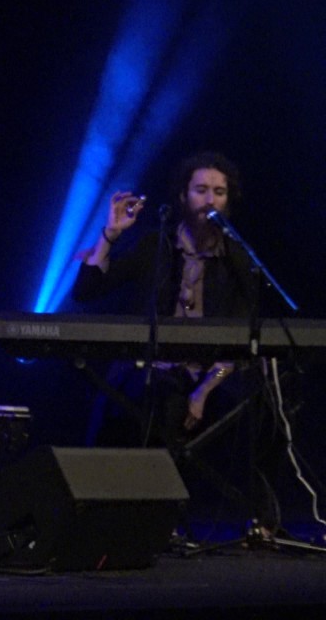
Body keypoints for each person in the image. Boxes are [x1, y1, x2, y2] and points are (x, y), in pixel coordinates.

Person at [73, 151, 290, 529]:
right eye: (201, 190)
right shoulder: (156, 246)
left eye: (219, 192)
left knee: (266, 410)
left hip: (214, 374)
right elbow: (87, 291)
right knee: (156, 401)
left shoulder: (237, 258)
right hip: (157, 368)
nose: (210, 200)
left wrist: (204, 391)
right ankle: (149, 522)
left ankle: (260, 520)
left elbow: (241, 336)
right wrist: (110, 235)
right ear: (182, 197)